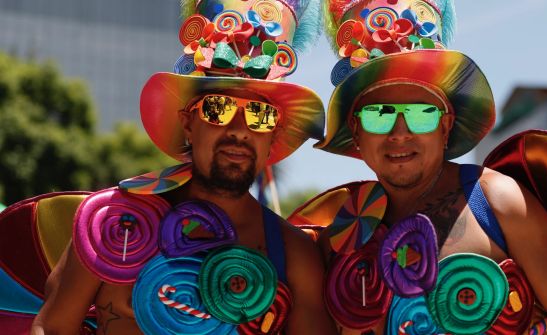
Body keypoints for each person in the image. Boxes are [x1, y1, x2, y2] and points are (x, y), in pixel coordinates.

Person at [291, 0, 547, 334]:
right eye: (380, 115)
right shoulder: (338, 235)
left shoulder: (496, 202)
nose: (400, 133)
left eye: (420, 114)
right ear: (356, 131)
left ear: (445, 127)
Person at [30, 0, 336, 334]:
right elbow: (52, 328)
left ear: (272, 135)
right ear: (188, 123)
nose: (238, 129)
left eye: (259, 116)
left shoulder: (296, 257)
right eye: (217, 108)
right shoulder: (113, 222)